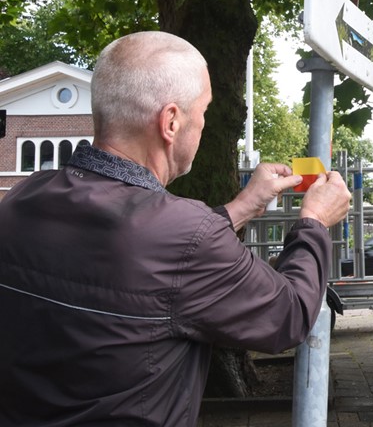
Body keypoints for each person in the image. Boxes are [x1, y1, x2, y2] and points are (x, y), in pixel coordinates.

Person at [0, 31, 351, 427]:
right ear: (170, 122)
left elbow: (149, 261)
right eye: (202, 113)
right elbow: (290, 315)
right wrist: (315, 222)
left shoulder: (22, 199)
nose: (202, 126)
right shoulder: (185, 234)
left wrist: (242, 206)